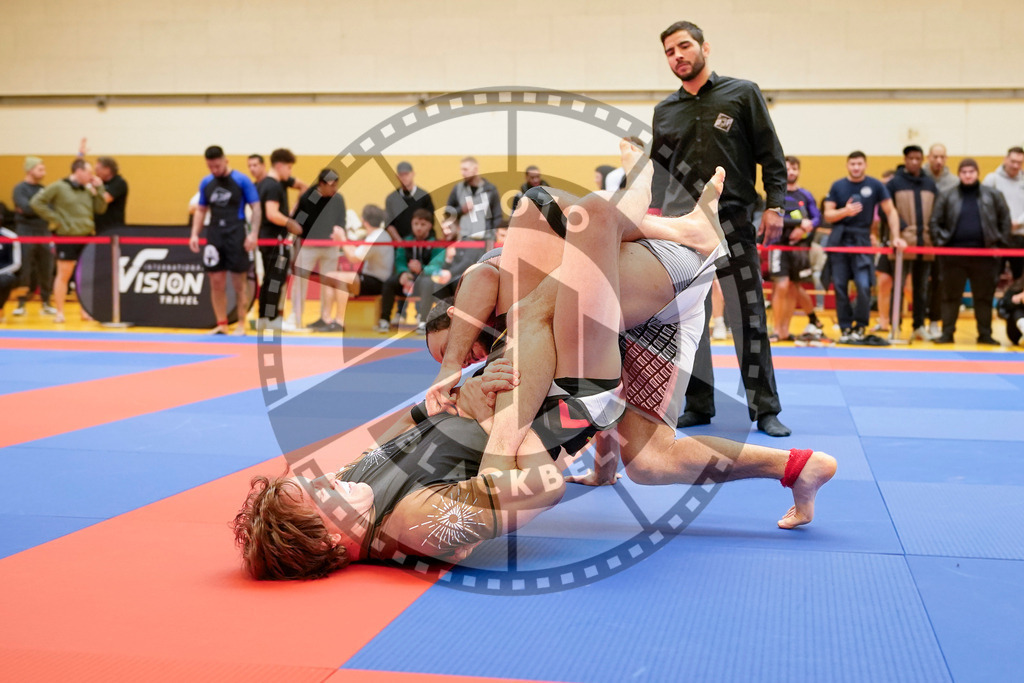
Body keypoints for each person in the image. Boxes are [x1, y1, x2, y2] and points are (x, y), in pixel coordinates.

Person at [232, 150, 835, 579]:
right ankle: (688, 228)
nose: (320, 478)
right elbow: (540, 488)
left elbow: (418, 422)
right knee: (580, 227)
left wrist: (458, 386)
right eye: (312, 495)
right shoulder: (413, 523)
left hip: (573, 353)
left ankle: (797, 467)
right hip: (583, 382)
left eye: (308, 482)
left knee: (645, 453)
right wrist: (507, 420)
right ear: (331, 544)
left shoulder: (356, 485)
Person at [426, 140, 835, 521]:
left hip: (660, 269)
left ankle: (662, 201)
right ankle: (798, 467)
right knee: (650, 463)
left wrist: (448, 367)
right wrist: (605, 465)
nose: (470, 360)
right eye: (463, 360)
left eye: (462, 349)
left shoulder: (501, 283)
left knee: (548, 264)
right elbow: (595, 376)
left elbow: (484, 275)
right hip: (654, 308)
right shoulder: (528, 323)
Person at [651, 20, 790, 437]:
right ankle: (698, 402)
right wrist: (652, 222)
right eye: (670, 51)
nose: (678, 55)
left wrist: (777, 206)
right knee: (689, 319)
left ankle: (764, 408)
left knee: (748, 317)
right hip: (681, 228)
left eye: (684, 46)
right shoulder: (665, 111)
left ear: (704, 48)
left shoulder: (742, 93)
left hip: (733, 221)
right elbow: (659, 174)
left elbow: (772, 154)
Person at [822, 151, 901, 344]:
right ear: (847, 165)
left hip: (862, 240)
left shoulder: (875, 185)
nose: (856, 167)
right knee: (840, 286)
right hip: (840, 239)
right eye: (852, 164)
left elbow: (891, 212)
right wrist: (845, 211)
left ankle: (860, 325)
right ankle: (846, 327)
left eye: (859, 164)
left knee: (864, 285)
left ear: (865, 165)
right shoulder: (838, 185)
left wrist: (896, 237)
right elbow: (828, 215)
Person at [930, 158, 1011, 344]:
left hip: (984, 256)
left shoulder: (993, 195)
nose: (968, 175)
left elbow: (1004, 221)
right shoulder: (946, 195)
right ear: (959, 174)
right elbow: (935, 222)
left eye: (971, 172)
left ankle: (985, 334)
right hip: (953, 256)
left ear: (977, 173)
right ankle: (947, 333)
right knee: (950, 296)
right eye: (964, 172)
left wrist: (999, 243)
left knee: (984, 297)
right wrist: (941, 243)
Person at [188, 146, 260, 335]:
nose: (214, 170)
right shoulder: (206, 183)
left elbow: (256, 208)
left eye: (217, 166)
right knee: (216, 281)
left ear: (226, 161)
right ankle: (222, 323)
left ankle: (242, 324)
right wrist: (195, 234)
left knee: (239, 282)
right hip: (215, 234)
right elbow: (201, 210)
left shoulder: (241, 180)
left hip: (236, 232)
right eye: (210, 167)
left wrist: (253, 235)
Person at [29, 159, 106, 324]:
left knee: (86, 276)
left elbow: (100, 209)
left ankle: (85, 311)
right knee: (64, 274)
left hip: (86, 235)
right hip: (67, 236)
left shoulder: (87, 189)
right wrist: (55, 219)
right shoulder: (59, 186)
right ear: (78, 171)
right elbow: (37, 202)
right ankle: (60, 312)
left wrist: (99, 189)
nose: (91, 175)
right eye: (89, 172)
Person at [884, 146, 939, 340]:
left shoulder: (930, 184)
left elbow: (936, 211)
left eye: (918, 158)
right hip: (902, 241)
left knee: (921, 287)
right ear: (905, 159)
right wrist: (904, 228)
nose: (915, 162)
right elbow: (887, 211)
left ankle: (919, 325)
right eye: (911, 158)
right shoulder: (894, 184)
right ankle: (895, 325)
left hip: (925, 242)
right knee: (898, 285)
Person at [315, 204, 394, 333]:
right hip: (372, 278)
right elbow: (356, 252)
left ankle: (339, 321)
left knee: (340, 279)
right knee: (329, 276)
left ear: (364, 220)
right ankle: (326, 318)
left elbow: (353, 257)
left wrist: (342, 239)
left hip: (378, 282)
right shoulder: (376, 234)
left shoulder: (376, 237)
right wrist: (344, 240)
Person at [769, 156, 823, 342]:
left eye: (794, 168)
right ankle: (776, 328)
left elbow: (816, 218)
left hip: (799, 249)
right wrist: (800, 223)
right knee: (782, 285)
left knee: (793, 287)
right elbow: (774, 218)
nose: (791, 172)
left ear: (798, 171)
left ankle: (785, 330)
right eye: (788, 168)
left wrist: (804, 229)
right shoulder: (777, 194)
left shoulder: (805, 195)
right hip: (779, 245)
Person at [252, 149, 307, 328]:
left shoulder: (265, 183)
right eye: (289, 168)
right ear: (280, 165)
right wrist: (290, 222)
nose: (290, 172)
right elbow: (272, 213)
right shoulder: (273, 186)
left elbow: (302, 185)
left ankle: (263, 318)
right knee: (276, 278)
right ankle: (273, 318)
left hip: (265, 238)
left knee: (270, 278)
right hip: (275, 238)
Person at [290, 168, 347, 330]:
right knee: (300, 281)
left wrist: (339, 233)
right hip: (308, 246)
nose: (334, 188)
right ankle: (296, 316)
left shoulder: (338, 199)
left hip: (330, 247)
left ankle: (325, 317)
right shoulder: (308, 197)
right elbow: (298, 222)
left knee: (327, 283)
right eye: (331, 185)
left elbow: (341, 220)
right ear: (321, 184)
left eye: (336, 185)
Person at [376, 208, 446, 334]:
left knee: (427, 282)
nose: (419, 227)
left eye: (423, 224)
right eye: (416, 224)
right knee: (389, 282)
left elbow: (437, 265)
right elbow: (400, 261)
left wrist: (422, 269)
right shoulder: (406, 242)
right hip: (407, 280)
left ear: (430, 226)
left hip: (423, 281)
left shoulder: (436, 244)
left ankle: (423, 322)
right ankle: (384, 320)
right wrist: (404, 273)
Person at [11, 156, 55, 317]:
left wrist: (34, 209)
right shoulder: (20, 189)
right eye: (40, 169)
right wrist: (39, 209)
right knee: (25, 268)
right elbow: (25, 207)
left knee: (47, 266)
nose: (44, 172)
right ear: (30, 170)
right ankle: (21, 303)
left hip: (43, 231)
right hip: (25, 230)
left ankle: (46, 302)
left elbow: (50, 209)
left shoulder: (44, 189)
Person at [982, 146, 1024, 280]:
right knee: (992, 278)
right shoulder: (992, 179)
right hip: (998, 237)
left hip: (1020, 236)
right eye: (1013, 161)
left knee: (1020, 280)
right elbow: (984, 206)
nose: (1016, 165)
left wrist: (1019, 222)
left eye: (1019, 162)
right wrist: (1004, 224)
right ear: (1005, 160)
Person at [445, 157, 502, 241]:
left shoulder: (490, 189)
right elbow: (448, 211)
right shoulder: (458, 189)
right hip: (465, 239)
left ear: (475, 169)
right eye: (461, 170)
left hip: (486, 239)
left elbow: (497, 215)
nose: (462, 173)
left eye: (465, 169)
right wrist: (461, 210)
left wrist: (492, 235)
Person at [384, 161, 435, 241]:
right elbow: (389, 224)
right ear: (397, 176)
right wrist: (401, 244)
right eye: (401, 175)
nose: (404, 177)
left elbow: (430, 221)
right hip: (399, 244)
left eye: (406, 174)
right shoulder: (391, 198)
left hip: (422, 243)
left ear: (413, 174)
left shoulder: (424, 197)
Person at [92, 156, 129, 234]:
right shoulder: (101, 182)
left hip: (113, 228)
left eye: (98, 169)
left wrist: (93, 189)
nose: (96, 172)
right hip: (99, 227)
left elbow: (104, 199)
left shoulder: (119, 182)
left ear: (107, 169)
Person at [0, 224, 25, 323]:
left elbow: (16, 263)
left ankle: (0, 310)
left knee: (4, 280)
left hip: (4, 273)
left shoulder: (10, 236)